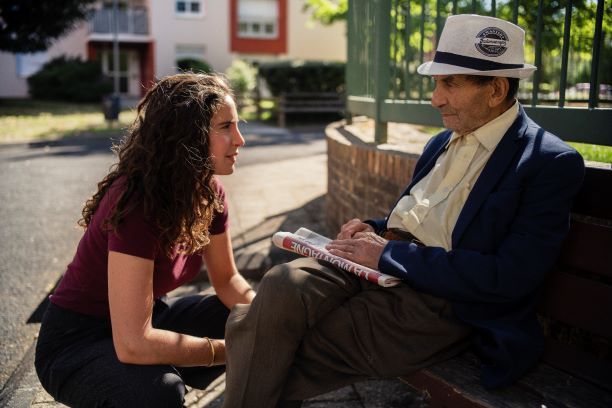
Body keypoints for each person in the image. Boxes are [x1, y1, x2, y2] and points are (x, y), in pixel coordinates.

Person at [222, 14, 585, 407]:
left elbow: (510, 277)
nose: (435, 99)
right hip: (380, 265)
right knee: (281, 283)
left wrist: (388, 254)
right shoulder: (440, 143)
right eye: (436, 83)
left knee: (273, 338)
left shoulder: (547, 162)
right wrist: (373, 228)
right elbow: (420, 217)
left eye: (449, 83)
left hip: (444, 300)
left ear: (496, 89)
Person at [34, 73, 255, 408]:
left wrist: (271, 317)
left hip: (143, 320)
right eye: (226, 127)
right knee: (159, 393)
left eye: (237, 125)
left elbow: (227, 281)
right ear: (187, 136)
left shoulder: (210, 194)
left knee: (245, 319)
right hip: (75, 342)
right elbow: (134, 344)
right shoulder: (138, 202)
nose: (240, 140)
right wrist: (225, 350)